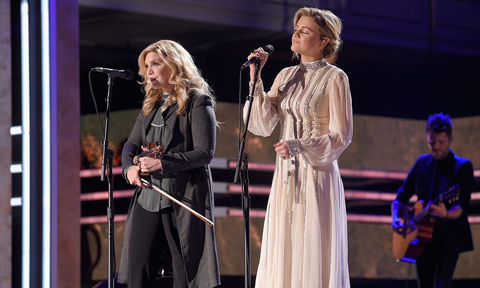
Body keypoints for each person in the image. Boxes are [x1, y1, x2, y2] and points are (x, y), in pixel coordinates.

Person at [244, 7, 353, 288]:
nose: (296, 34)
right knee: (287, 242)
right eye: (296, 29)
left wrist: (298, 146)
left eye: (305, 31)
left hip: (317, 174)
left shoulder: (335, 78)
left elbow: (341, 136)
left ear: (323, 41)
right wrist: (256, 77)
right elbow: (262, 123)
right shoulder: (286, 75)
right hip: (286, 175)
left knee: (312, 244)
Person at [117, 40, 221, 288]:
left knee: (183, 266)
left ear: (174, 65)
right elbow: (129, 146)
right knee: (137, 265)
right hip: (148, 196)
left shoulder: (198, 101)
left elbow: (205, 153)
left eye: (155, 64)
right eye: (146, 66)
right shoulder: (150, 105)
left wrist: (162, 163)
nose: (148, 71)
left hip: (182, 195)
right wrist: (128, 169)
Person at [392, 112, 475, 288]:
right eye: (432, 142)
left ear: (451, 139)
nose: (436, 147)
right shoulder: (422, 163)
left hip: (448, 239)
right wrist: (396, 219)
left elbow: (461, 206)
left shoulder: (462, 167)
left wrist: (446, 213)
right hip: (421, 239)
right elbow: (400, 198)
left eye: (441, 142)